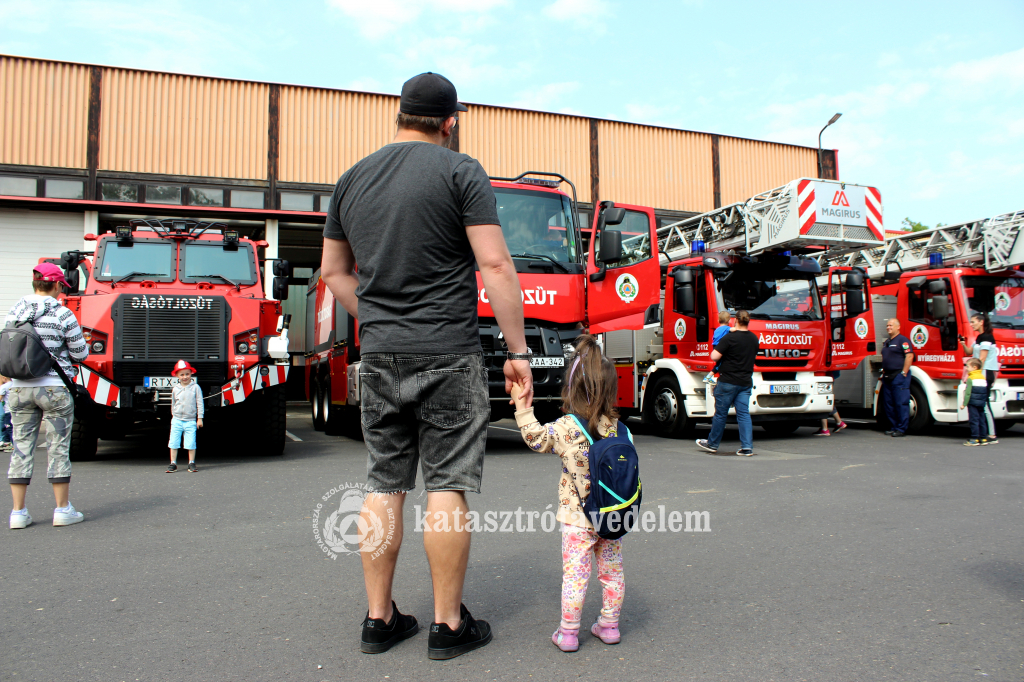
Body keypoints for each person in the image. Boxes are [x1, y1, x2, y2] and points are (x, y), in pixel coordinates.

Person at [320, 72, 532, 659]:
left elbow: (333, 273)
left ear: (400, 115)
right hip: (449, 352)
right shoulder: (462, 172)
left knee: (385, 482)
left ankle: (379, 619)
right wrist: (517, 353)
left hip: (381, 352)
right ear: (450, 120)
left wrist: (382, 318)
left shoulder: (352, 180)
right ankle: (447, 625)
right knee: (447, 485)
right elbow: (495, 267)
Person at [509, 335, 626, 653]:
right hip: (613, 514)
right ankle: (609, 625)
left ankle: (569, 633)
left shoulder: (565, 427)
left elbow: (536, 438)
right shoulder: (616, 427)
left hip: (577, 518)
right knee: (611, 572)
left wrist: (523, 407)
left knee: (576, 575)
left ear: (571, 389)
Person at [6, 263, 88, 529]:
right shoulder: (63, 314)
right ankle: (62, 509)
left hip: (19, 388)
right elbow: (80, 353)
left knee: (20, 448)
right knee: (58, 448)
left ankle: (18, 513)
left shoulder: (15, 311)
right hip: (54, 387)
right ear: (56, 285)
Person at [696, 309, 759, 456]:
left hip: (728, 381)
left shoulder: (729, 338)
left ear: (735, 320)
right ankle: (747, 447)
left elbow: (714, 356)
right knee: (743, 414)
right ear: (748, 321)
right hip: (745, 382)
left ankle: (712, 444)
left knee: (721, 414)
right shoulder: (754, 338)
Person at [959, 312, 999, 444]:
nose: (971, 324)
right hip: (981, 373)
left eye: (973, 322)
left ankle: (991, 435)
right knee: (983, 403)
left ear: (981, 322)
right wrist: (963, 344)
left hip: (984, 373)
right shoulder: (980, 337)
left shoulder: (987, 337)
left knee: (984, 403)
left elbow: (982, 358)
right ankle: (985, 434)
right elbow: (970, 352)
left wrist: (976, 376)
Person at [166, 360, 204, 473]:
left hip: (190, 420)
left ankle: (191, 462)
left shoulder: (196, 387)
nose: (185, 377)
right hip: (177, 420)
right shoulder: (175, 388)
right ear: (177, 375)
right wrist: (174, 415)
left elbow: (200, 403)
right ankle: (173, 463)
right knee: (173, 442)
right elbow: (173, 403)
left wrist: (200, 418)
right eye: (182, 374)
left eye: (187, 374)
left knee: (191, 443)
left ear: (191, 373)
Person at [879, 318, 914, 437]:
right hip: (887, 376)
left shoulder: (903, 341)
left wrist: (904, 372)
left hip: (899, 376)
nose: (888, 327)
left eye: (891, 325)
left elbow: (909, 356)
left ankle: (901, 428)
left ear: (898, 327)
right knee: (889, 404)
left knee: (901, 403)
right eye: (887, 325)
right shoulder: (887, 342)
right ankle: (893, 427)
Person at [960, 358, 989, 446]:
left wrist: (964, 404)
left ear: (975, 367)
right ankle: (983, 438)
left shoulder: (970, 378)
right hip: (981, 402)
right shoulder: (983, 378)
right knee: (982, 419)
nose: (966, 368)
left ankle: (974, 438)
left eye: (968, 366)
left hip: (972, 402)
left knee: (974, 420)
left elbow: (968, 393)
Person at [813, 371, 848, 436]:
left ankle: (825, 429)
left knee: (822, 402)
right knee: (827, 401)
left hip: (822, 377)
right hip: (828, 377)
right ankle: (839, 422)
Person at [703, 310, 732, 385]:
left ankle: (709, 377)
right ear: (729, 320)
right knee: (720, 364)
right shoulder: (726, 328)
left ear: (718, 320)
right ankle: (708, 377)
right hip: (720, 347)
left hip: (715, 347)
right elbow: (733, 330)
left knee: (719, 364)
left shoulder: (717, 329)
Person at [0, 376, 12, 452]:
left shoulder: (4, 387)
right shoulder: (14, 384)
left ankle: (12, 444)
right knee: (13, 427)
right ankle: (9, 443)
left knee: (9, 427)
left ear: (4, 378)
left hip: (8, 410)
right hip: (15, 410)